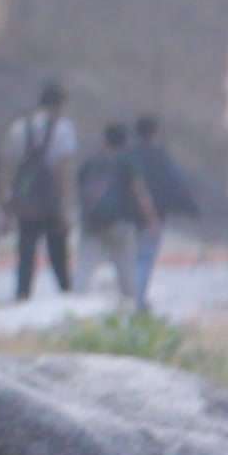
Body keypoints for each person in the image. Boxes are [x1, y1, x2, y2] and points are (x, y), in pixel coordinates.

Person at [4, 81, 78, 300]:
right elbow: (63, 169)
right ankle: (65, 293)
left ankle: (22, 293)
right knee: (57, 252)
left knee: (26, 251)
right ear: (61, 103)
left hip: (26, 202)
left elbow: (11, 166)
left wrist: (11, 199)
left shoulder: (19, 127)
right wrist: (66, 206)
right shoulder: (63, 129)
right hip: (51, 202)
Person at [76, 124, 158, 305]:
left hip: (92, 223)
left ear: (104, 140)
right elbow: (140, 192)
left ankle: (75, 305)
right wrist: (151, 219)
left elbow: (81, 190)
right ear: (125, 142)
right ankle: (134, 305)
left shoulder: (90, 162)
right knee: (126, 269)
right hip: (121, 223)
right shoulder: (127, 162)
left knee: (84, 268)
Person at [132, 116, 198, 313]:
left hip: (130, 216)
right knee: (146, 257)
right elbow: (176, 181)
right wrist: (190, 207)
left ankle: (133, 298)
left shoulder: (130, 154)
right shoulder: (160, 156)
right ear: (155, 132)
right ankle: (138, 300)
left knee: (134, 257)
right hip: (156, 214)